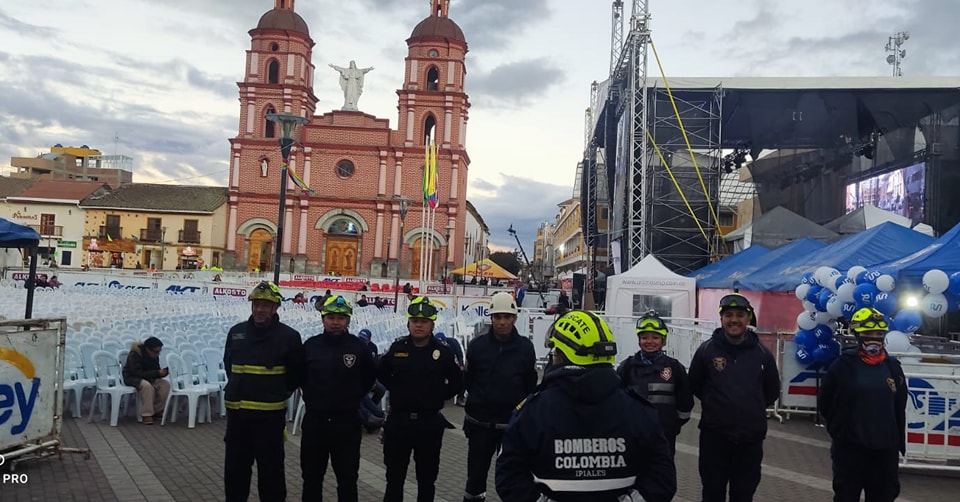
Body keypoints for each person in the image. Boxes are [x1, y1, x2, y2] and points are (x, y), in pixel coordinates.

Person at [495, 310, 676, 502]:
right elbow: (662, 480)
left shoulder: (531, 412)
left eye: (556, 352)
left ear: (563, 355)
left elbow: (509, 478)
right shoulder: (641, 412)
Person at [689, 293, 780, 502]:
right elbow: (695, 384)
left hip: (750, 440)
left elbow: (771, 391)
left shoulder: (762, 354)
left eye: (740, 315)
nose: (734, 320)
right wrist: (718, 406)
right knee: (712, 493)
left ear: (748, 319)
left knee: (743, 494)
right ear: (721, 319)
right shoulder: (706, 351)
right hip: (715, 438)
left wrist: (749, 408)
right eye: (728, 315)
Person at [223, 281, 304, 502]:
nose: (259, 309)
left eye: (265, 305)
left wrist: (274, 394)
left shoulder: (289, 337)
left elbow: (295, 376)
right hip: (238, 418)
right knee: (235, 474)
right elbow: (229, 366)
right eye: (256, 304)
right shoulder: (236, 332)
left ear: (275, 307)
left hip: (269, 419)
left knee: (271, 475)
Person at [377, 296, 464, 502]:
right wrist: (399, 391)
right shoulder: (398, 348)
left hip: (429, 423)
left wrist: (436, 396)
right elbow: (381, 373)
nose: (418, 325)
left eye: (424, 321)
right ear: (408, 323)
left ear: (432, 324)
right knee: (394, 478)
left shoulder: (442, 352)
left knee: (426, 480)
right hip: (399, 422)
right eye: (415, 321)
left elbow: (456, 382)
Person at [819, 307, 907, 502]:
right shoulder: (842, 366)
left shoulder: (893, 367)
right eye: (868, 333)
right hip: (851, 451)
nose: (874, 338)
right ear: (858, 335)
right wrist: (840, 434)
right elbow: (825, 403)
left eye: (879, 334)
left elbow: (899, 404)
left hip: (885, 452)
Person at [461, 292, 537, 502]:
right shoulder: (477, 347)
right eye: (497, 317)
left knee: (514, 480)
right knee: (475, 479)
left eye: (506, 317)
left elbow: (529, 385)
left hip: (511, 427)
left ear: (514, 318)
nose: (502, 322)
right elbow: (469, 380)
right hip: (480, 425)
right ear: (491, 318)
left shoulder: (525, 348)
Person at [300, 295, 377, 502]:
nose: (336, 322)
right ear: (323, 319)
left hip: (347, 423)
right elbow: (300, 377)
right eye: (331, 317)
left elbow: (368, 378)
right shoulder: (311, 346)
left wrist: (349, 397)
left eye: (341, 318)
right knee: (311, 478)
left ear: (348, 320)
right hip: (316, 422)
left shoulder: (358, 347)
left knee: (348, 478)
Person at [617, 312, 693, 457]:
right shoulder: (627, 367)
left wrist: (672, 426)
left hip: (664, 437)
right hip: (634, 437)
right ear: (639, 340)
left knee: (663, 477)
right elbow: (617, 401)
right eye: (644, 337)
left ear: (663, 340)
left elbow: (685, 402)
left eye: (655, 337)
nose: (649, 341)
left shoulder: (674, 368)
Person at [121, 336, 170, 425]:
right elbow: (136, 372)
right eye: (156, 352)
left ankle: (156, 410)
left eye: (159, 352)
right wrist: (157, 373)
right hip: (133, 378)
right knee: (147, 386)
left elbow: (155, 370)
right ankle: (146, 414)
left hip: (149, 377)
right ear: (148, 349)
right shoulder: (135, 354)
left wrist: (162, 373)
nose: (158, 354)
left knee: (165, 385)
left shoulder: (154, 356)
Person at [356, 328, 386, 432]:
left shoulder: (372, 348)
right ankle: (370, 418)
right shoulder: (354, 346)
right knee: (361, 395)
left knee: (381, 389)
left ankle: (376, 414)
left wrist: (370, 380)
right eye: (360, 338)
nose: (361, 341)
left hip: (368, 377)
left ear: (369, 340)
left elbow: (374, 366)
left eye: (364, 340)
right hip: (356, 380)